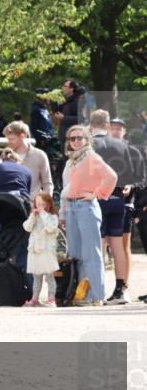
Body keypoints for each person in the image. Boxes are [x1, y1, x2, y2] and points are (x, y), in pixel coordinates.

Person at [61, 125, 117, 307]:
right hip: (71, 208)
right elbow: (65, 189)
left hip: (86, 207)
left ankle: (96, 295)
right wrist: (63, 213)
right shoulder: (71, 161)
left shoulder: (91, 157)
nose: (76, 141)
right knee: (76, 253)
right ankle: (79, 294)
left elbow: (111, 176)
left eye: (79, 137)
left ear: (87, 139)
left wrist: (97, 194)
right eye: (72, 138)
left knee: (91, 253)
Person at [87, 109, 137, 304]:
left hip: (97, 198)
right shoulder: (121, 145)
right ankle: (120, 290)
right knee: (118, 247)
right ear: (107, 125)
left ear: (91, 125)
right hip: (118, 199)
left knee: (98, 246)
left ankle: (97, 292)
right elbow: (130, 176)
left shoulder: (89, 145)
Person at [108, 117, 143, 303]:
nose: (115, 131)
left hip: (124, 204)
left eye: (119, 128)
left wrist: (131, 186)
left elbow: (141, 178)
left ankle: (122, 287)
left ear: (124, 131)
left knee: (122, 246)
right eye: (112, 128)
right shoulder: (101, 150)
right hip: (102, 202)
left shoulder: (133, 152)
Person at [22, 192, 60, 307]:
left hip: (46, 251)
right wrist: (32, 216)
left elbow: (50, 228)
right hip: (35, 251)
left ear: (48, 204)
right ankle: (35, 298)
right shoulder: (34, 216)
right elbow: (27, 228)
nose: (40, 207)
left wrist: (43, 214)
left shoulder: (52, 217)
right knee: (36, 277)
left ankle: (51, 298)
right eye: (38, 204)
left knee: (49, 276)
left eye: (42, 204)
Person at [3, 121, 53, 197]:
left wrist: (45, 204)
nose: (9, 142)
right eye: (8, 139)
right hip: (11, 204)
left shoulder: (39, 155)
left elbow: (47, 184)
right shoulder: (6, 156)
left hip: (33, 204)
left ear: (22, 136)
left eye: (12, 139)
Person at [53, 79, 85, 147]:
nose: (62, 88)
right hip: (64, 137)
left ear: (71, 89)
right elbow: (57, 112)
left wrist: (64, 118)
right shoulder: (66, 101)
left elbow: (82, 118)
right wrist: (53, 101)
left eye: (65, 86)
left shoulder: (77, 101)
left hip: (73, 138)